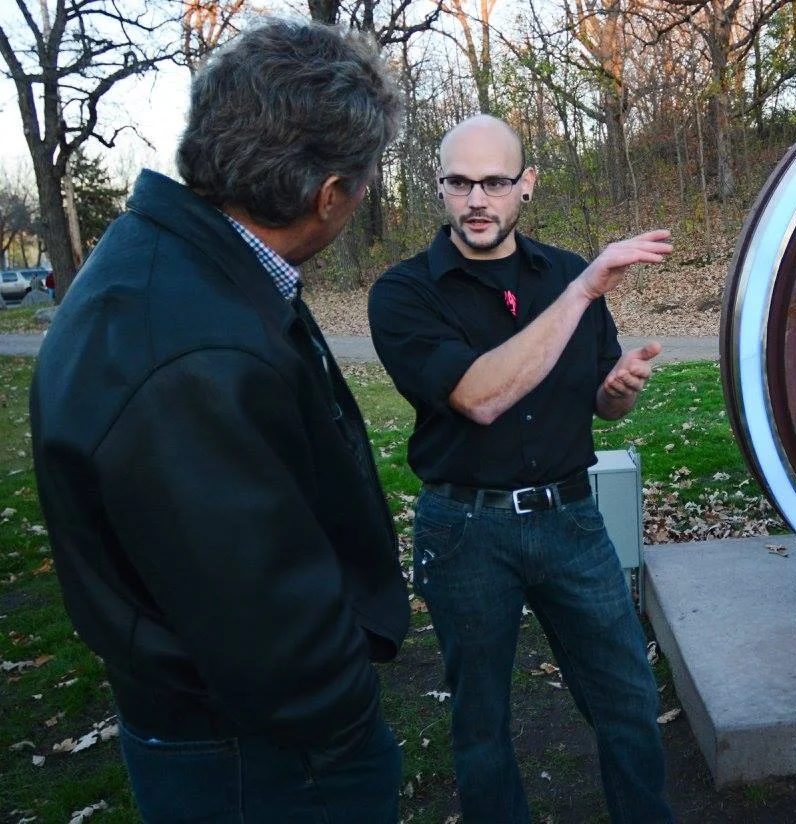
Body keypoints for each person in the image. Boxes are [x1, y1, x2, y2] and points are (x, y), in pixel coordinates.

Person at [29, 20, 409, 823]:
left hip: (223, 723)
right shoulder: (192, 349)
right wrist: (345, 720)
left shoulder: (185, 265)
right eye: (365, 180)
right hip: (255, 754)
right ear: (328, 195)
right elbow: (264, 626)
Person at [368, 114, 675, 823]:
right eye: (460, 183)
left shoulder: (564, 271)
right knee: (482, 723)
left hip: (572, 520)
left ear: (526, 184)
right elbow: (479, 397)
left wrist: (617, 389)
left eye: (495, 182)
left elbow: (604, 406)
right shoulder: (404, 292)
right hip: (466, 530)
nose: (477, 200)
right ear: (438, 185)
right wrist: (585, 291)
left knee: (628, 699)